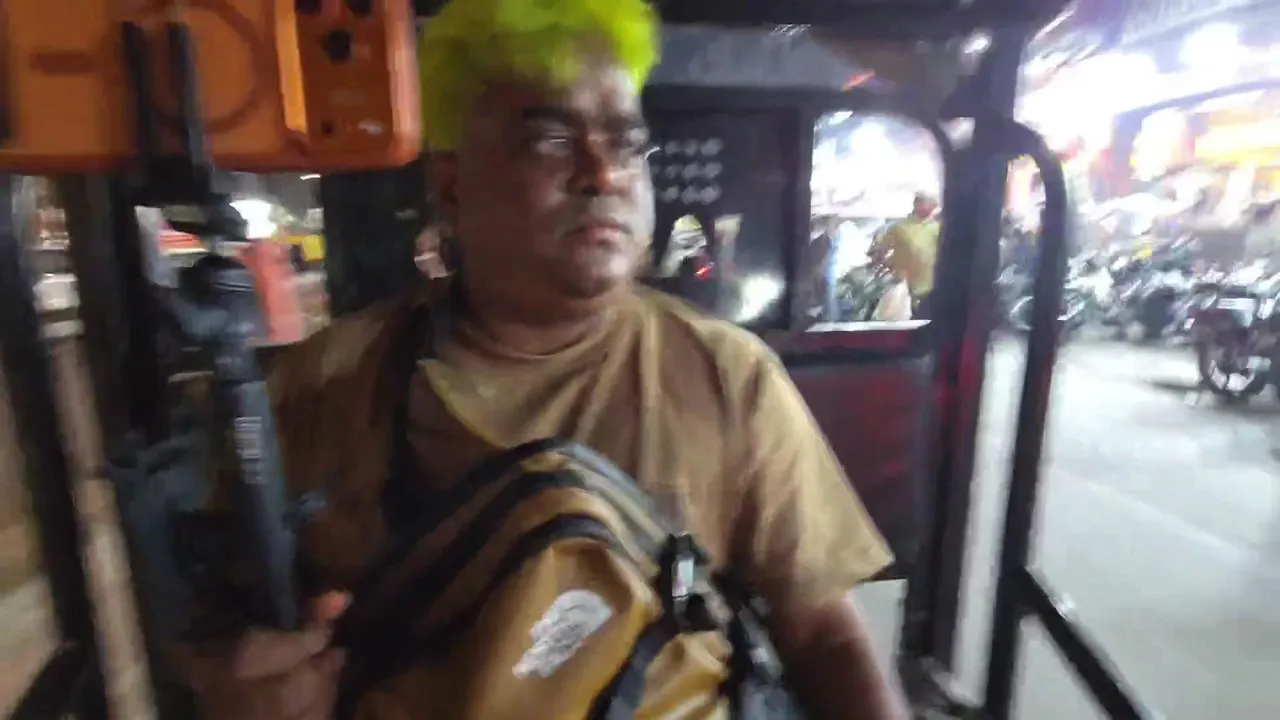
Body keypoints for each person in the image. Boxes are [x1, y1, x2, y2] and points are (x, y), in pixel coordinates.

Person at [177, 0, 908, 718]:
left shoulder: (729, 377)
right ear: (452, 187)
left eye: (627, 146)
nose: (603, 174)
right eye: (550, 141)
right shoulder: (322, 387)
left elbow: (824, 634)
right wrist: (238, 686)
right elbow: (214, 623)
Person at [872, 192, 939, 318]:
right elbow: (881, 251)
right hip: (906, 290)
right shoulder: (898, 228)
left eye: (934, 204)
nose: (933, 207)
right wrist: (883, 260)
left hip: (932, 288)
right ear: (916, 204)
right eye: (929, 203)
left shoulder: (937, 228)